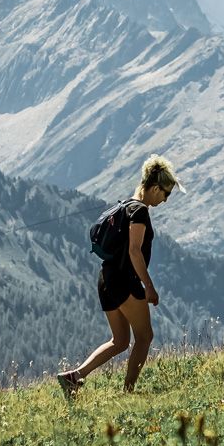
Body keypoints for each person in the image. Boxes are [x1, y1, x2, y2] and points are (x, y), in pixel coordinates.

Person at [58, 155, 178, 396]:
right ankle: (129, 392)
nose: (165, 200)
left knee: (121, 341)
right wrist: (150, 287)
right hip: (124, 281)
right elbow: (135, 252)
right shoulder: (140, 212)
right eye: (166, 193)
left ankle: (74, 376)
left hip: (106, 279)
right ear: (155, 188)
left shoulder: (125, 205)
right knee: (145, 337)